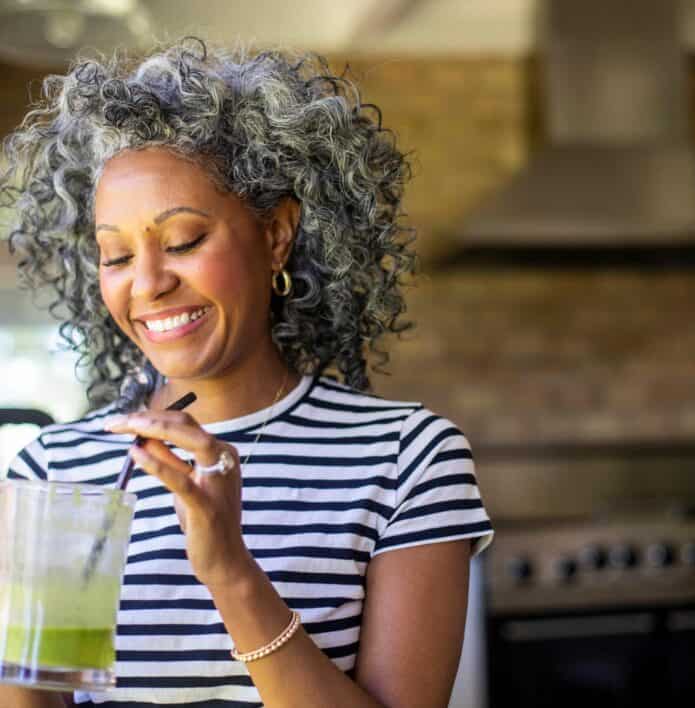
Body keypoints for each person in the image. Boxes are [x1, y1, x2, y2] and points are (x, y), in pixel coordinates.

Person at [0, 38, 493, 708]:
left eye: (183, 242)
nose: (148, 284)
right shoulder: (59, 472)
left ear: (276, 235)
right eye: (115, 256)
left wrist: (230, 572)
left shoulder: (404, 459)